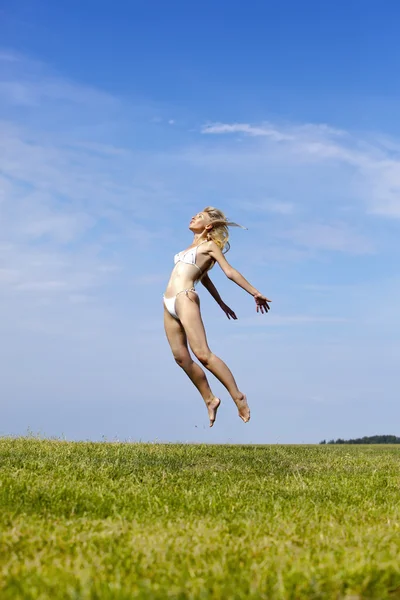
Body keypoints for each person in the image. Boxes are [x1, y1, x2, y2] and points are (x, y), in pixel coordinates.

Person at [163, 207, 271, 427]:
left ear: (208, 226)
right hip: (168, 302)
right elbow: (204, 279)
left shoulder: (209, 246)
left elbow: (229, 272)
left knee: (203, 354)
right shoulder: (186, 251)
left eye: (200, 217)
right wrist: (221, 303)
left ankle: (238, 396)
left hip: (185, 298)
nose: (193, 217)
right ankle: (210, 399)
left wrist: (255, 292)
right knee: (181, 358)